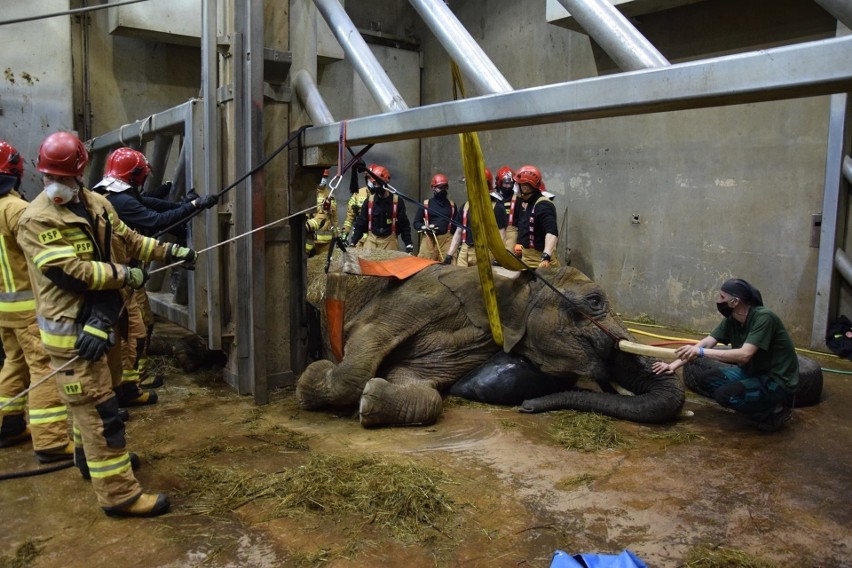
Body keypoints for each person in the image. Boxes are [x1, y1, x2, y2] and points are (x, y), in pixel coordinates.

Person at [17, 131, 196, 517]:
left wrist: (171, 251)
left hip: (102, 321)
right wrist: (126, 276)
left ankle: (88, 460)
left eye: (64, 178)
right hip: (72, 333)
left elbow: (129, 239)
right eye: (51, 177)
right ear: (41, 174)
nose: (57, 186)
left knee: (93, 410)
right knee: (100, 414)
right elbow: (72, 272)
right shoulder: (35, 220)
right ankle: (119, 495)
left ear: (80, 173)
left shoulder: (97, 204)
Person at [93, 147, 216, 405]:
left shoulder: (107, 194)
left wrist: (184, 206)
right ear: (136, 175)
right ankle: (130, 382)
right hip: (121, 277)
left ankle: (130, 382)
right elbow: (155, 221)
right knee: (136, 329)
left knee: (136, 328)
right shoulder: (121, 201)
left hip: (118, 275)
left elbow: (151, 203)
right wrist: (194, 205)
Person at [0, 140, 73, 462]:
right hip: (29, 306)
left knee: (14, 364)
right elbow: (43, 253)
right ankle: (51, 440)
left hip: (4, 308)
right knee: (43, 368)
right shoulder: (15, 209)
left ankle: (8, 424)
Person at [652, 278, 799, 432]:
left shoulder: (764, 318)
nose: (718, 301)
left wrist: (700, 352)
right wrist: (672, 366)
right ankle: (754, 400)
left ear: (735, 301)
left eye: (722, 297)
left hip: (777, 380)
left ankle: (775, 410)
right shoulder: (732, 320)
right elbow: (707, 343)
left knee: (725, 395)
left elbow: (744, 355)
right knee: (705, 379)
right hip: (752, 373)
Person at [444, 169, 508, 267]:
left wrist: (498, 258)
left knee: (481, 282)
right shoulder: (465, 206)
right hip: (464, 253)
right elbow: (458, 232)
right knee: (461, 281)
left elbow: (502, 236)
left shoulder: (497, 208)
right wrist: (449, 255)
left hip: (486, 252)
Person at [348, 164, 413, 253]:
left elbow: (404, 225)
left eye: (379, 183)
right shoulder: (369, 201)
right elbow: (360, 223)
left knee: (390, 266)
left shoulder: (397, 201)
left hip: (390, 242)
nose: (376, 186)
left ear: (386, 182)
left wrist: (408, 244)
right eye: (374, 184)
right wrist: (353, 242)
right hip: (371, 241)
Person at [512, 165, 560, 269]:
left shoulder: (543, 206)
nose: (515, 187)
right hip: (527, 260)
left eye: (518, 184)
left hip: (540, 262)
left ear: (525, 187)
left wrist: (546, 256)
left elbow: (552, 232)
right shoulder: (528, 204)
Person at [413, 173, 456, 261]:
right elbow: (416, 222)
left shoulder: (452, 205)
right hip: (429, 239)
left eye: (445, 187)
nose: (443, 190)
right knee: (424, 266)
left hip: (446, 241)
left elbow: (457, 226)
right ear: (433, 188)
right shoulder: (426, 204)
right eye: (440, 187)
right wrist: (424, 227)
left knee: (448, 268)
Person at [305, 169, 337, 258]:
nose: (323, 179)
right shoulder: (309, 192)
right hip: (309, 236)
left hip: (325, 240)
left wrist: (337, 236)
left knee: (321, 263)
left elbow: (333, 218)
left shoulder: (330, 195)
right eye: (322, 176)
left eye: (325, 177)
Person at [342, 167, 370, 248]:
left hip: (374, 241)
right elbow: (349, 219)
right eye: (368, 178)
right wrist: (344, 236)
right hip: (357, 240)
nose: (370, 181)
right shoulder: (358, 194)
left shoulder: (383, 196)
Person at [495, 166, 519, 251]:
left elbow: (522, 222)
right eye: (505, 183)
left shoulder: (518, 199)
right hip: (495, 233)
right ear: (499, 183)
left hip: (511, 235)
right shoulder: (494, 198)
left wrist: (520, 242)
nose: (508, 186)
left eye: (510, 183)